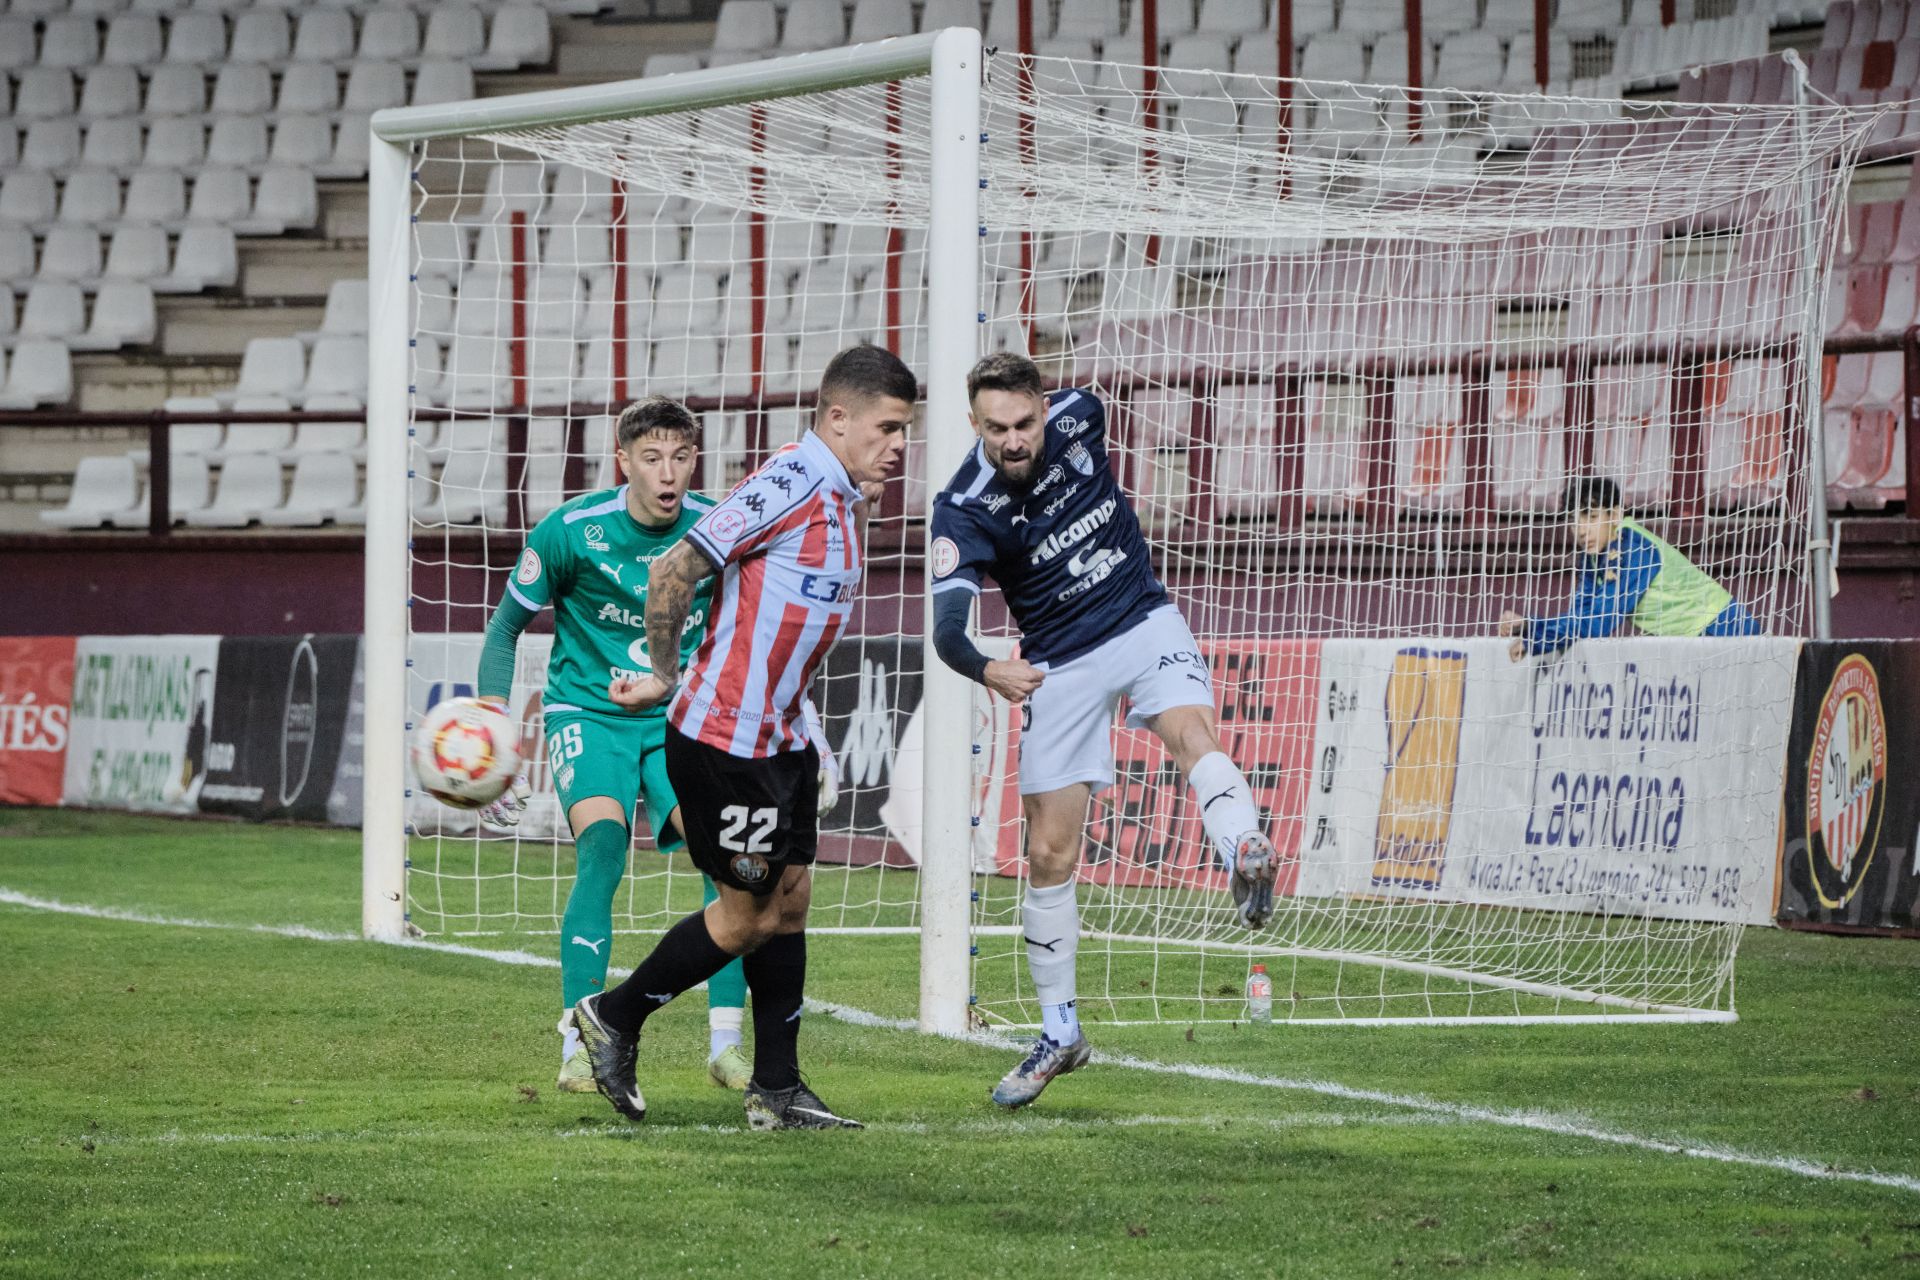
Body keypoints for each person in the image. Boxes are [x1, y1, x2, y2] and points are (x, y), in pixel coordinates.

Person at [926, 351, 1282, 1110]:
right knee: (1049, 852)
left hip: (1144, 619)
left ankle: (1243, 851)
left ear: (1045, 407)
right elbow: (949, 634)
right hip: (1060, 664)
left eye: (1025, 422)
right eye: (998, 429)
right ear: (974, 424)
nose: (1016, 440)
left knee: (1193, 735)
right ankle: (1061, 1032)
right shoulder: (963, 508)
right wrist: (990, 670)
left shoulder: (1083, 414)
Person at [570, 343, 913, 1131]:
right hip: (726, 741)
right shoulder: (790, 483)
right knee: (747, 914)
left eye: (905, 431)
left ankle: (778, 1088)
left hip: (782, 739)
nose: (899, 446)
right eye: (888, 428)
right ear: (836, 418)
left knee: (790, 902)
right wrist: (663, 672)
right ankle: (614, 1015)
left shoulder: (844, 497)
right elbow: (673, 573)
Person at [474, 396, 833, 1096]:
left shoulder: (715, 527)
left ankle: (727, 1046)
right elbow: (502, 631)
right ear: (623, 462)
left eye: (680, 457)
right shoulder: (571, 531)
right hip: (591, 712)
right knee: (603, 849)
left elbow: (757, 632)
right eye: (651, 457)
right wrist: (494, 733)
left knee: (733, 870)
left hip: (682, 718)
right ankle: (580, 1042)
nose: (668, 472)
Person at [1497, 475, 1762, 661]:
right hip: (1691, 642)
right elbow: (1582, 613)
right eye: (1573, 520)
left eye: (1590, 517)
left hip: (1723, 630)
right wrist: (1530, 629)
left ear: (1614, 515)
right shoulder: (1592, 556)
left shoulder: (1631, 547)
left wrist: (1534, 633)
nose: (1580, 530)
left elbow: (1599, 621)